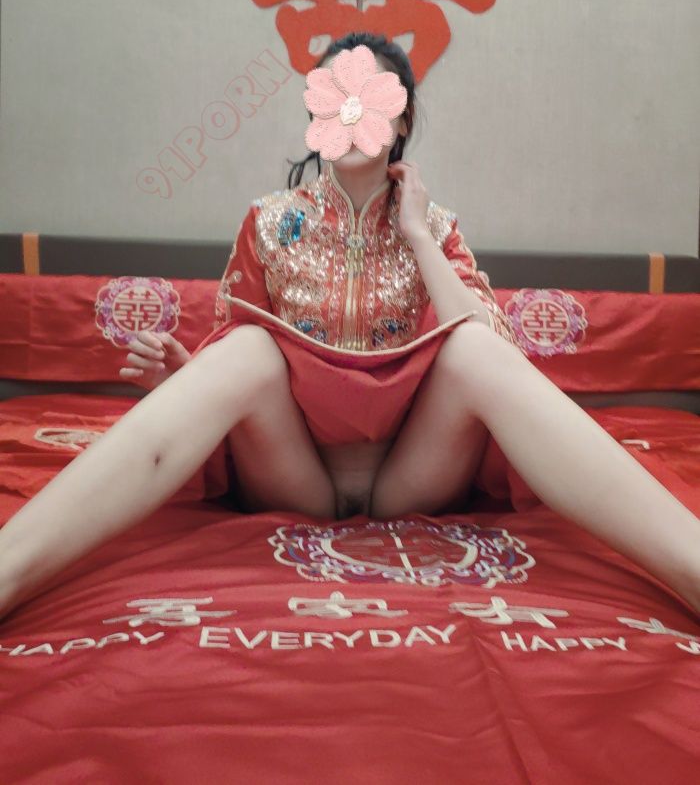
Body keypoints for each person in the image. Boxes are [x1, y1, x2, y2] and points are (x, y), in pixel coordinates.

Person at [1, 31, 699, 624]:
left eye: (371, 97)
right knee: (247, 349)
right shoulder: (269, 223)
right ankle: (10, 569)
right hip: (294, 474)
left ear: (402, 118)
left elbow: (491, 346)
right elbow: (234, 374)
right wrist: (182, 379)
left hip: (411, 475)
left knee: (473, 351)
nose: (353, 109)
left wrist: (418, 233)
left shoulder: (439, 229)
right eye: (335, 94)